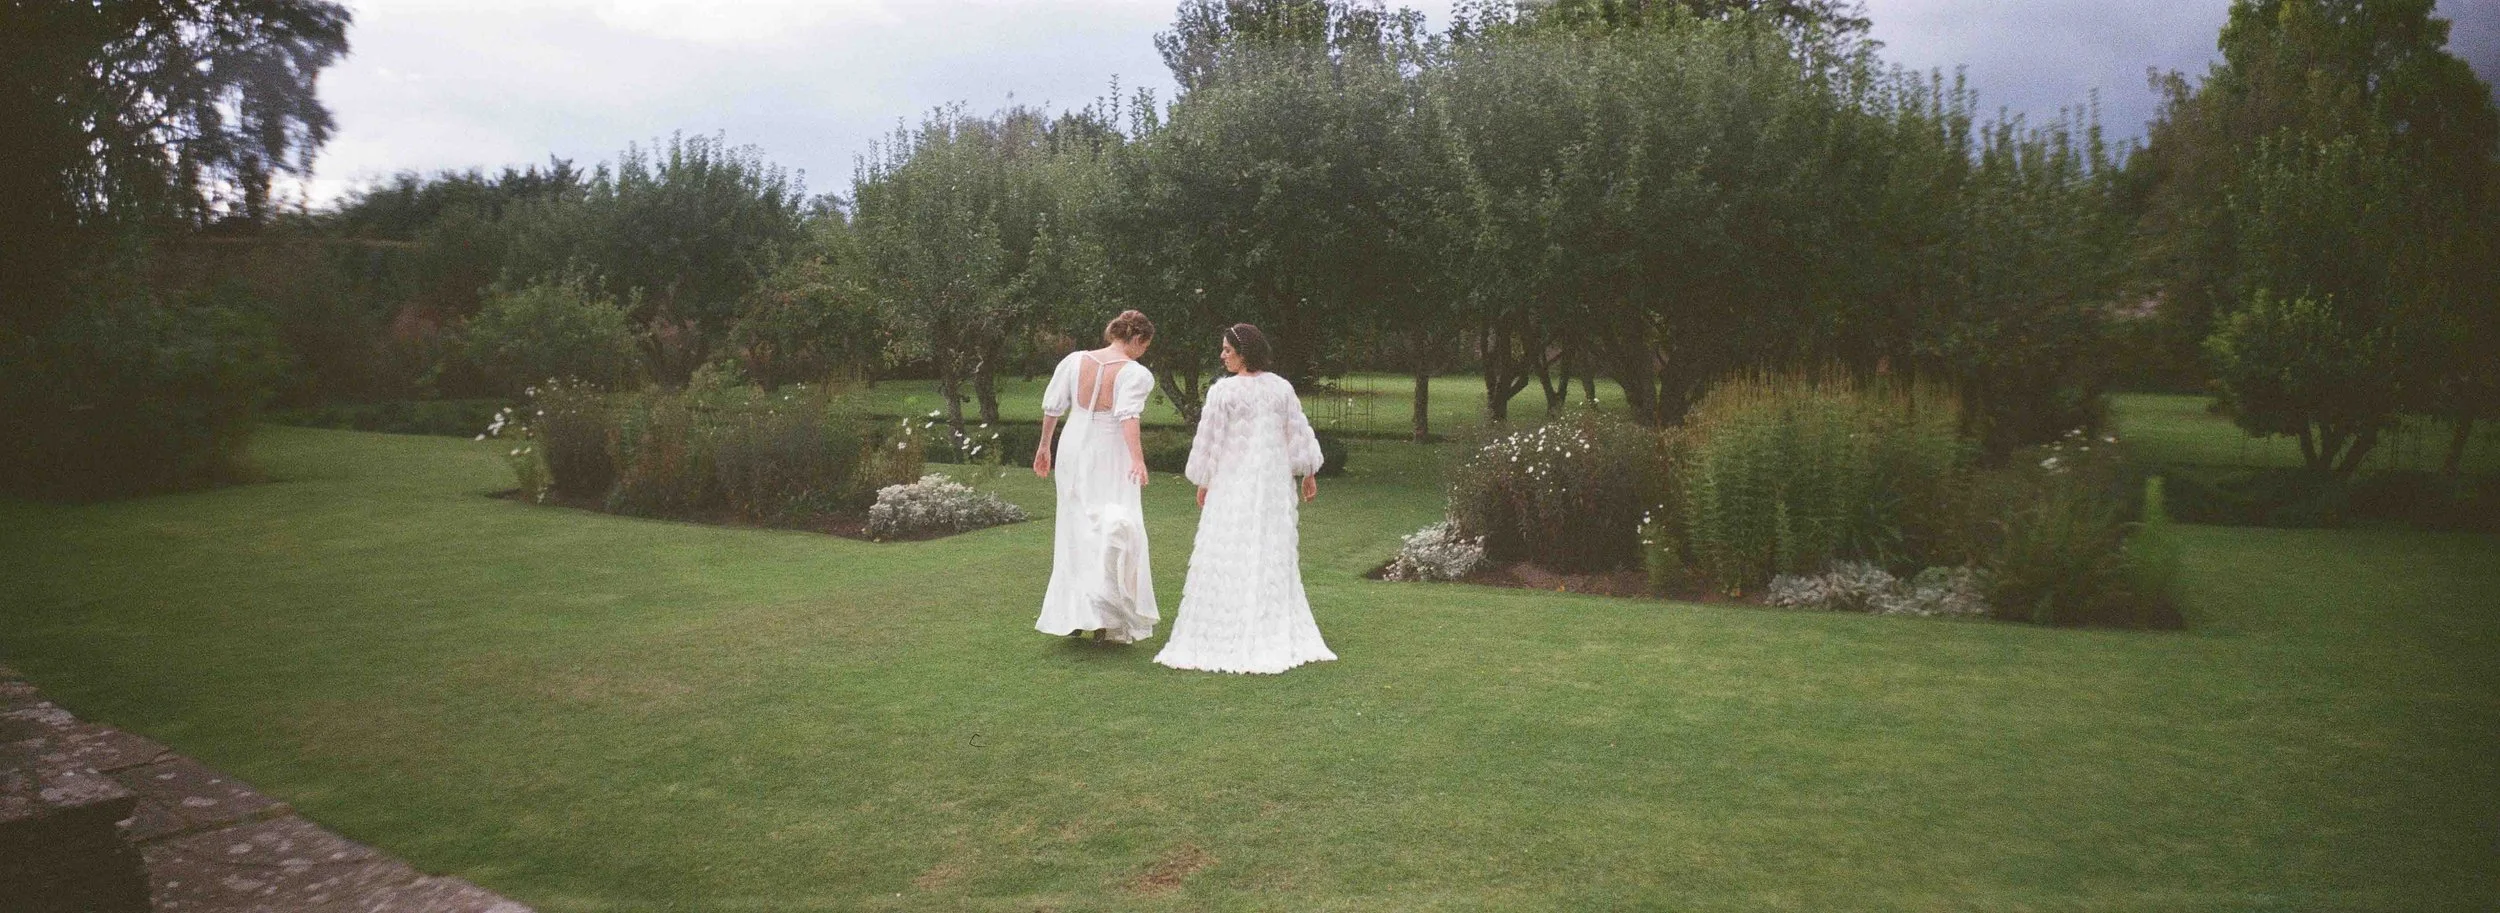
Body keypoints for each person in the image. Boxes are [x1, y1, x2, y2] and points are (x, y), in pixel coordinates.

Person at [1156, 323, 1336, 674]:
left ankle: (1238, 624)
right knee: (1260, 548)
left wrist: (1204, 480)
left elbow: (1211, 441)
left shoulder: (1226, 392)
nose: (1222, 355)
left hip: (1244, 482)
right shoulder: (1276, 388)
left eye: (1227, 350)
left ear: (1245, 352)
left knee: (1236, 548)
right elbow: (1296, 433)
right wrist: (1308, 469)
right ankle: (1255, 623)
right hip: (1261, 482)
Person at [1033, 310, 1160, 643]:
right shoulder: (1135, 373)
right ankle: (1102, 617)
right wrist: (1138, 459)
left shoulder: (1075, 361)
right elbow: (1127, 417)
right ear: (1138, 339)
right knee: (1113, 523)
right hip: (1109, 450)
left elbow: (1052, 407)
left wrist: (1045, 447)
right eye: (1145, 345)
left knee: (1076, 527)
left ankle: (1079, 615)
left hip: (1073, 446)